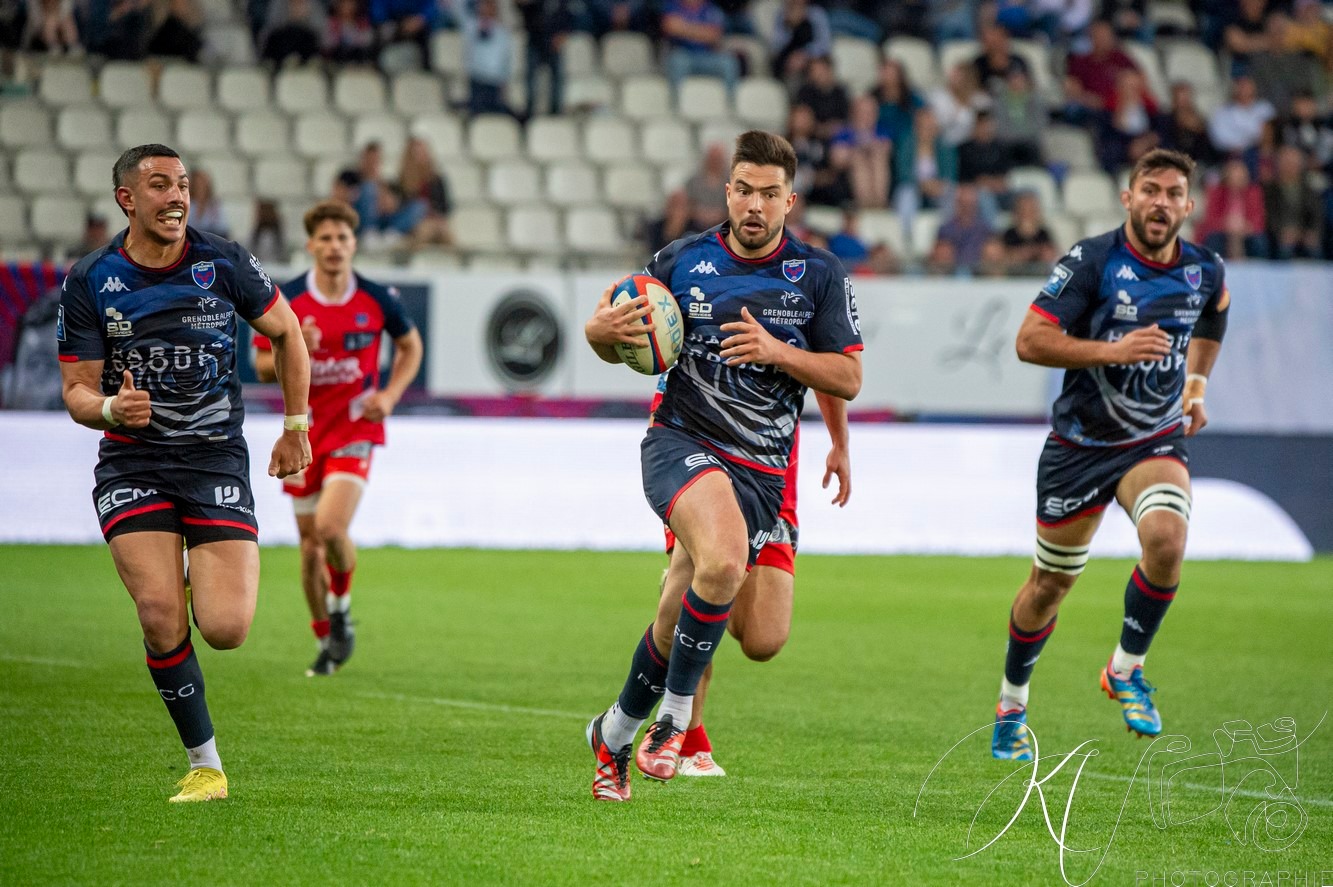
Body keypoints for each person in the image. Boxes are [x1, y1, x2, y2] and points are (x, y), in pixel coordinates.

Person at [582, 130, 863, 800]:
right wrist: (597, 333)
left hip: (762, 471)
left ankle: (614, 732)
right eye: (743, 190)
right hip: (681, 442)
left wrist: (779, 353)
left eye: (769, 193)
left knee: (717, 621)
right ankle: (676, 723)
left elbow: (847, 375)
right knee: (724, 560)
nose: (754, 205)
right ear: (727, 192)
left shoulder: (819, 275)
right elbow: (615, 330)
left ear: (789, 201)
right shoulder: (680, 261)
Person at [57, 144, 311, 801]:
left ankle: (197, 568)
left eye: (183, 185)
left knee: (225, 629)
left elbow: (288, 332)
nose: (176, 197)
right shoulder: (91, 279)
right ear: (126, 199)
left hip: (213, 458)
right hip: (133, 462)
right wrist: (110, 407)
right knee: (159, 613)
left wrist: (296, 425)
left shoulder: (222, 262)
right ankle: (206, 766)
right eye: (159, 185)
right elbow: (77, 390)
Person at [991, 148, 1229, 761]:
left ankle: (1126, 668)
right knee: (1049, 586)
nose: (1160, 203)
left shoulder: (1204, 270)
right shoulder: (1093, 261)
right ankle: (1011, 705)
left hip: (1153, 439)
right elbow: (1029, 341)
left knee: (1168, 540)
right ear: (1128, 198)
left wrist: (1195, 387)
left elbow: (1215, 315)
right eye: (1150, 190)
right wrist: (1112, 351)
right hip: (1080, 445)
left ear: (1188, 206)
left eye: (1173, 193)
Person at [252, 200, 422, 677]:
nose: (334, 247)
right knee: (309, 549)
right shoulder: (287, 300)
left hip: (354, 428)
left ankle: (342, 606)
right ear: (311, 245)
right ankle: (326, 639)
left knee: (328, 528)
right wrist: (295, 347)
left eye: (342, 238)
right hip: (302, 432)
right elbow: (260, 365)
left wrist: (389, 395)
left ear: (353, 245)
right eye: (325, 238)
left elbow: (410, 346)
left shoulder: (376, 297)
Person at [651, 377, 851, 776]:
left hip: (770, 466)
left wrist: (839, 442)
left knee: (764, 640)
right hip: (697, 447)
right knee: (705, 575)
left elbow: (836, 366)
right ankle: (688, 739)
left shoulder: (802, 330)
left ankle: (702, 593)